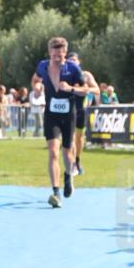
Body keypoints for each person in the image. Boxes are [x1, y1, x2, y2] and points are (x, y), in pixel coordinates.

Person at [34, 38, 89, 208]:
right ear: (50, 52)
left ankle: (68, 175)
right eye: (55, 54)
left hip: (68, 116)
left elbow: (86, 90)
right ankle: (56, 191)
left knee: (67, 153)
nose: (58, 58)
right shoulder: (42, 66)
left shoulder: (73, 68)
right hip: (51, 115)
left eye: (61, 55)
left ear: (65, 53)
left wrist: (71, 89)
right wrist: (37, 87)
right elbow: (35, 79)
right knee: (53, 153)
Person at [67, 52, 99, 176]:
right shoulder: (65, 75)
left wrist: (87, 89)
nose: (73, 62)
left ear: (79, 62)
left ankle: (78, 160)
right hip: (68, 110)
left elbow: (97, 89)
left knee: (79, 138)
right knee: (70, 138)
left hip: (81, 109)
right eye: (70, 60)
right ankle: (72, 163)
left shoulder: (85, 75)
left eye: (75, 60)